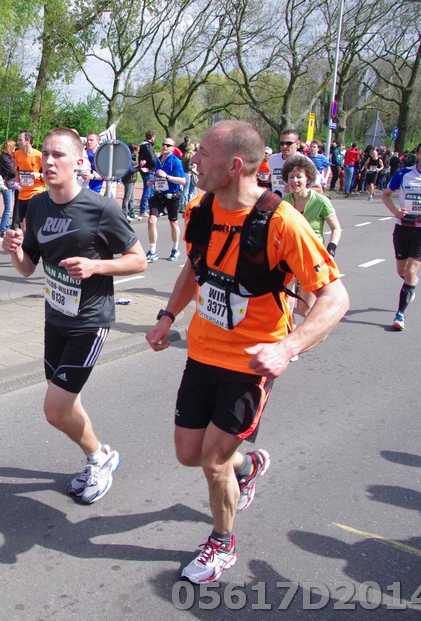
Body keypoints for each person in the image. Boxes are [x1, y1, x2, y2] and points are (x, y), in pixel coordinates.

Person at [145, 120, 348, 584]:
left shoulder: (282, 222)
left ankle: (221, 542)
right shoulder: (200, 208)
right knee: (188, 452)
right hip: (202, 353)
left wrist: (288, 348)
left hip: (251, 363)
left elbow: (336, 298)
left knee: (213, 461)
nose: (194, 159)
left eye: (204, 154)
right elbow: (195, 268)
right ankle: (250, 465)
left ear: (235, 165)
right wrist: (167, 315)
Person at [2, 127, 147, 503]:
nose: (49, 161)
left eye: (59, 155)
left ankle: (99, 457)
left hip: (89, 321)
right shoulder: (37, 206)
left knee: (54, 410)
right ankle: (100, 455)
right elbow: (27, 268)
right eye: (46, 154)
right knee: (65, 399)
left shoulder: (101, 208)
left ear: (79, 161)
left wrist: (96, 266)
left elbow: (139, 260)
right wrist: (14, 249)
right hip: (55, 316)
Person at [382, 138, 421, 332]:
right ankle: (411, 285)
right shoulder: (404, 174)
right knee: (402, 271)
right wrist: (395, 211)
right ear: (417, 154)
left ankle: (400, 314)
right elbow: (386, 194)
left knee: (410, 271)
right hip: (403, 228)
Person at [283, 155, 342, 317]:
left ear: (307, 178)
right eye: (291, 177)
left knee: (305, 309)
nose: (295, 181)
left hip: (312, 258)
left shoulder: (320, 201)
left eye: (299, 177)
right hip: (290, 255)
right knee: (286, 303)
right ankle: (291, 332)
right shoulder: (284, 202)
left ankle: (321, 325)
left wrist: (331, 250)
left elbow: (336, 228)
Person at [145, 137, 187, 262]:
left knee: (173, 223)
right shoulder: (158, 160)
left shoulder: (176, 161)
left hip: (172, 196)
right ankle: (153, 251)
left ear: (173, 148)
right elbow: (158, 176)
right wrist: (152, 181)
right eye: (164, 144)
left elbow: (183, 180)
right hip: (159, 195)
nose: (165, 146)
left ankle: (175, 249)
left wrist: (167, 176)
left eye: (168, 145)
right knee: (151, 221)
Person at [12, 130, 44, 229]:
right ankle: (25, 239)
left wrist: (38, 175)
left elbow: (47, 174)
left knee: (28, 222)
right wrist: (16, 183)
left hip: (36, 192)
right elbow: (17, 170)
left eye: (20, 140)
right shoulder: (17, 154)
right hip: (22, 193)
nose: (18, 142)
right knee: (22, 223)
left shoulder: (39, 155)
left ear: (28, 141)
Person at [0, 139, 18, 236]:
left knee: (10, 206)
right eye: (14, 146)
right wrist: (19, 173)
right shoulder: (3, 157)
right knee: (8, 207)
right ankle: (3, 229)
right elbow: (12, 170)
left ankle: (6, 226)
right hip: (6, 183)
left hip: (11, 183)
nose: (15, 148)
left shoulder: (10, 157)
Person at [138, 130, 158, 217]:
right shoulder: (147, 146)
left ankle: (151, 208)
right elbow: (152, 159)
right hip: (148, 170)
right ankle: (143, 210)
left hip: (147, 170)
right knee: (148, 190)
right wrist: (157, 160)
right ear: (152, 137)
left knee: (150, 191)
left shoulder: (143, 145)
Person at [120, 143, 140, 220]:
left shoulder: (133, 157)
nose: (138, 152)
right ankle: (124, 213)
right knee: (127, 197)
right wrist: (139, 167)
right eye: (137, 150)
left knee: (131, 198)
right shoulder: (128, 158)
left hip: (132, 179)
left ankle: (132, 213)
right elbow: (130, 170)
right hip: (128, 180)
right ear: (134, 150)